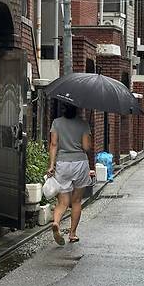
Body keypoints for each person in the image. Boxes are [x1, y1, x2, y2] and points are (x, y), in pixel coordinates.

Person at [47, 102, 93, 245]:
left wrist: (51, 165)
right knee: (76, 201)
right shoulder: (83, 124)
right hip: (80, 163)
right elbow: (86, 147)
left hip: (62, 164)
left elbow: (54, 144)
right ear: (77, 110)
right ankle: (72, 234)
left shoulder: (57, 123)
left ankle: (56, 222)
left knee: (63, 202)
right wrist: (87, 137)